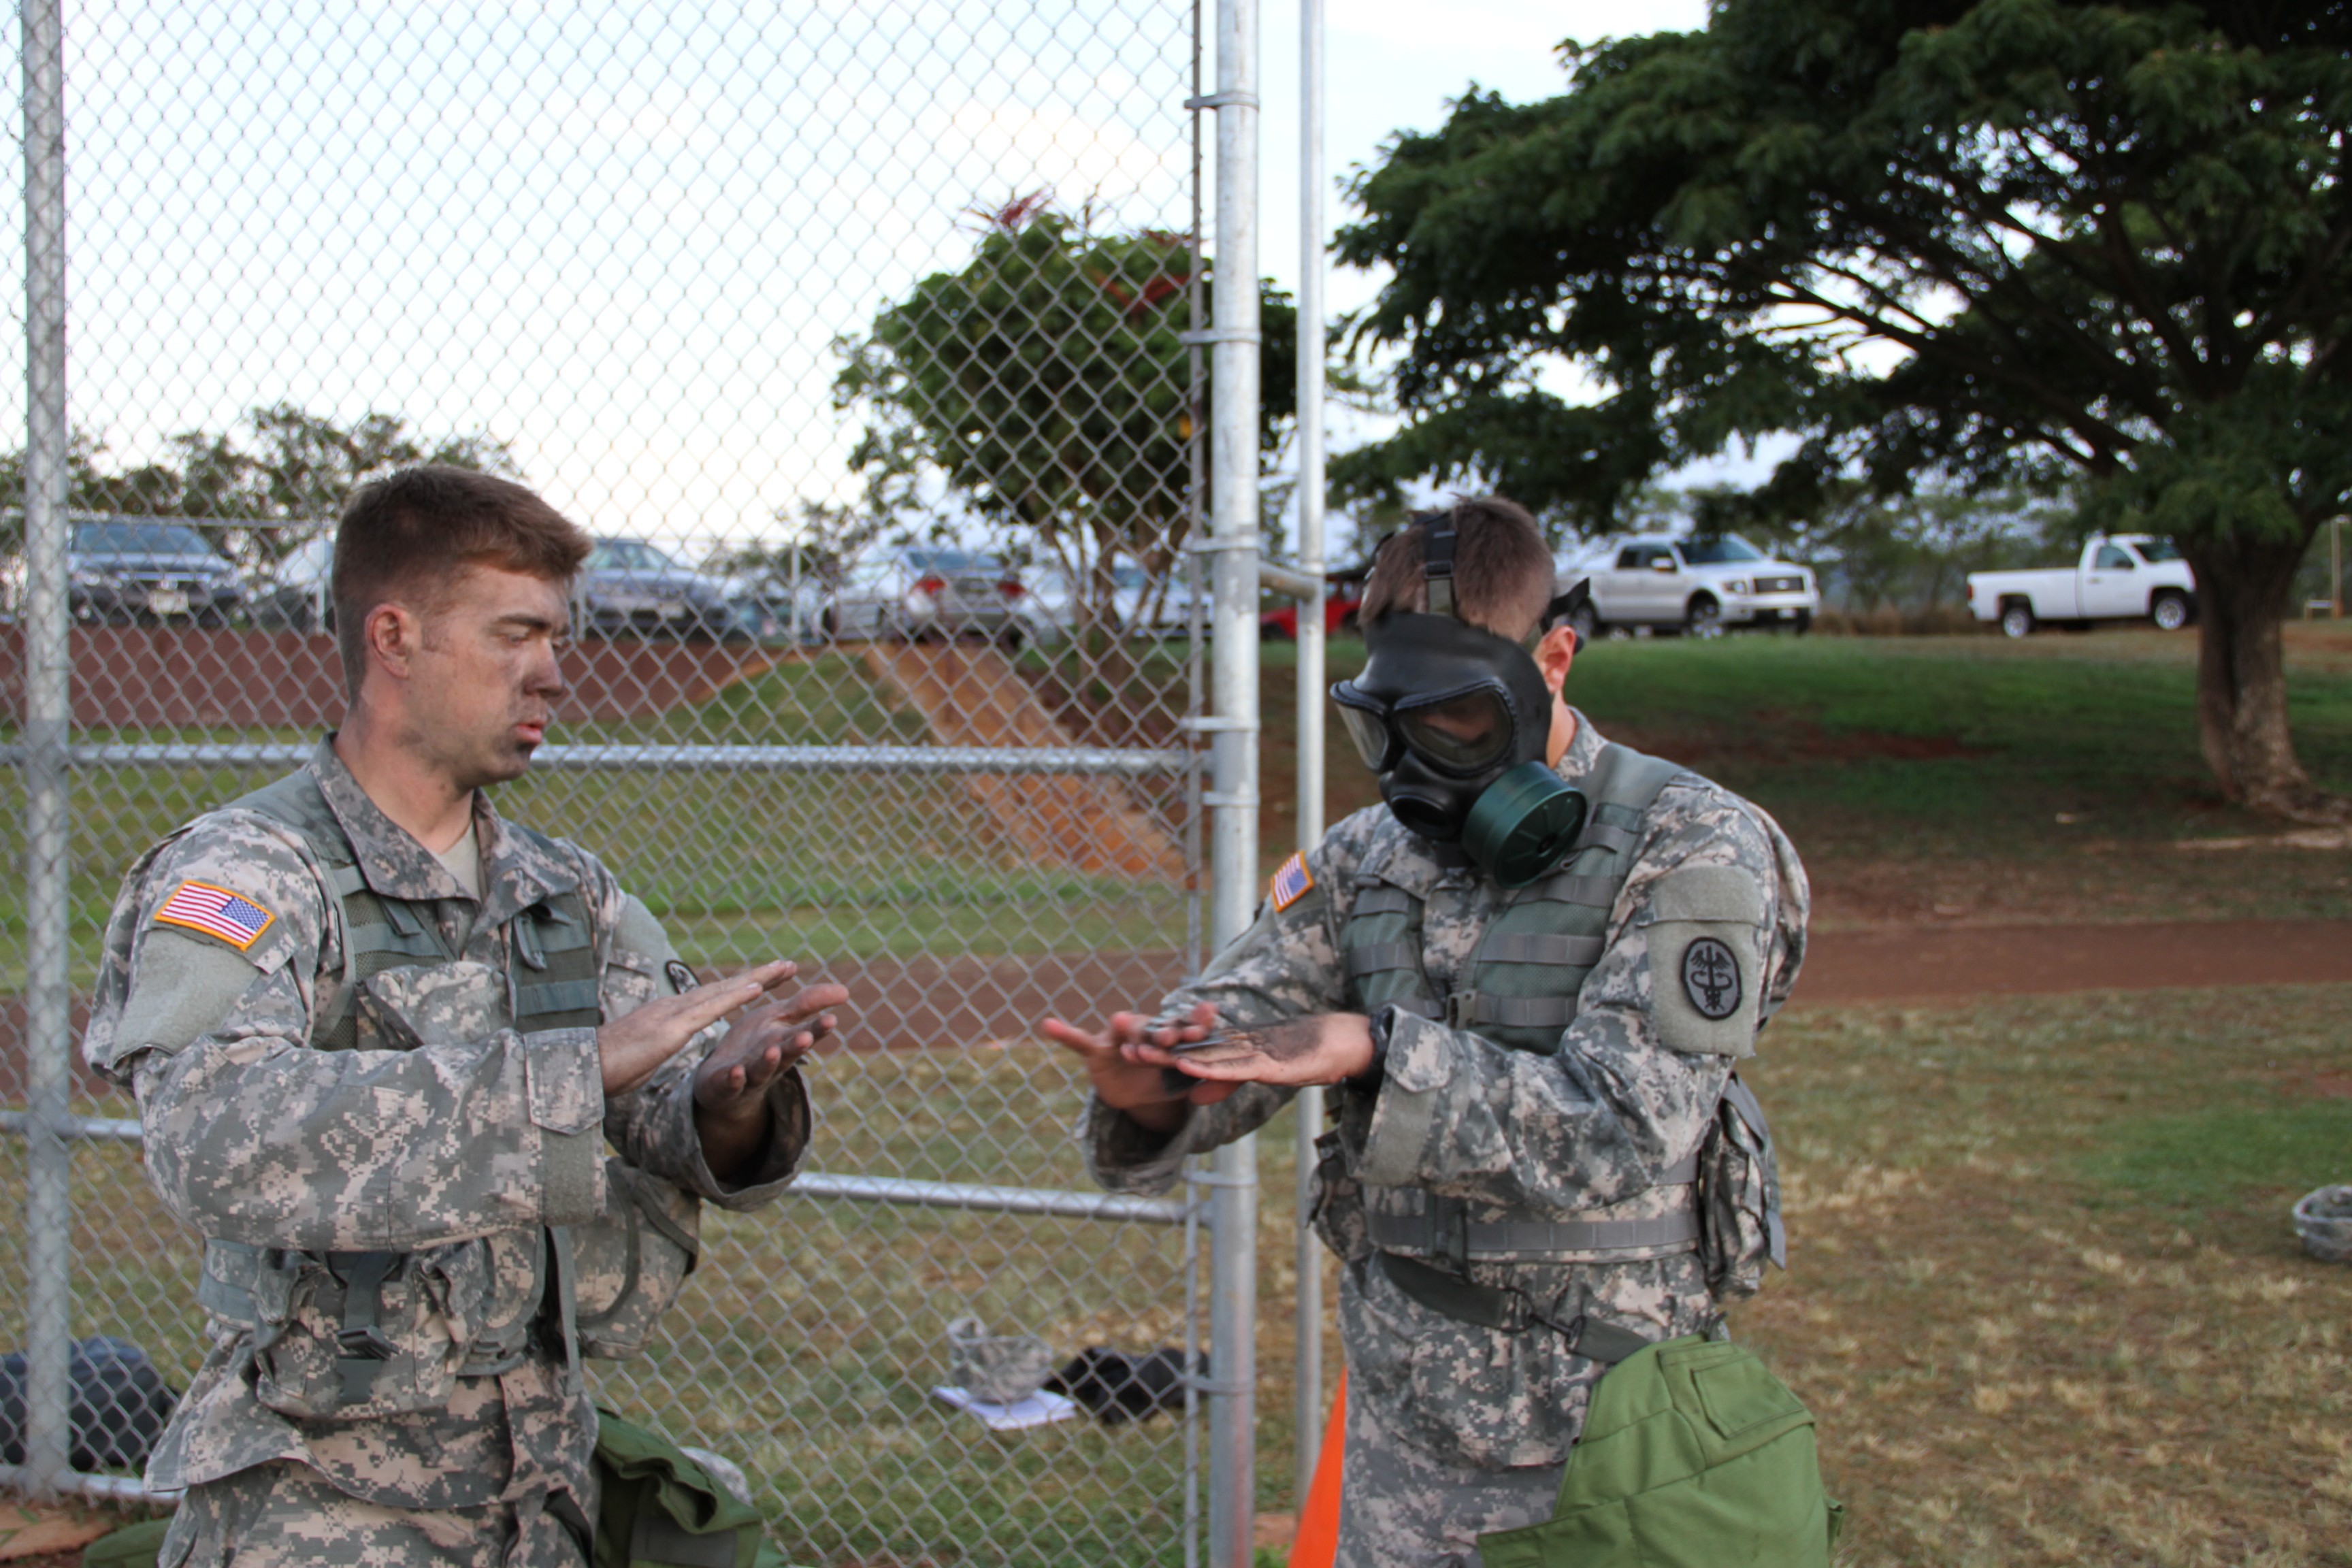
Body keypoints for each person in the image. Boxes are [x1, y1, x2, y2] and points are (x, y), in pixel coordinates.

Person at [82, 467, 846, 1567]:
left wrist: (732, 1096)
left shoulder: (559, 887)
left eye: (557, 639)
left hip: (538, 1492)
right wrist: (572, 1070)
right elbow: (211, 1132)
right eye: (515, 635)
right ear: (395, 637)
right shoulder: (248, 872)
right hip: (318, 1507)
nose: (552, 675)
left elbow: (657, 1104)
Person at [1044, 497, 1808, 1567]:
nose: (1415, 766)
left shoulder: (1692, 842)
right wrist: (1157, 1084)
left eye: (1455, 722)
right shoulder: (1370, 856)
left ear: (1553, 659)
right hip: (1404, 1443)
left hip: (1607, 1442)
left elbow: (1630, 1125)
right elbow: (1251, 1016)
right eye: (1385, 727)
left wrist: (1376, 1051)